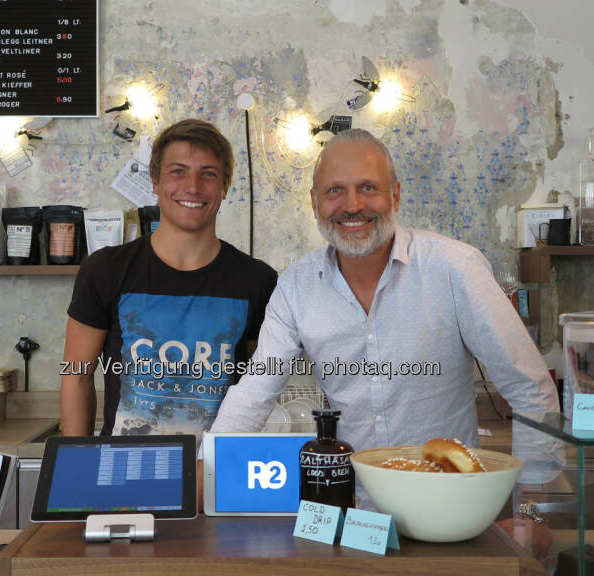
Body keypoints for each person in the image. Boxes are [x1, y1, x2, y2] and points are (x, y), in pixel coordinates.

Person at [210, 127, 558, 557]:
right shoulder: (296, 287)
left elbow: (530, 389)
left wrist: (534, 514)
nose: (352, 205)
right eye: (335, 190)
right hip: (352, 518)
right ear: (315, 202)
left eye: (367, 188)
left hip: (449, 515)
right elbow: (253, 394)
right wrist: (206, 476)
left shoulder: (455, 269)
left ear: (394, 196)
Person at [60, 119, 278, 442]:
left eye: (208, 173)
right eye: (178, 171)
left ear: (225, 186)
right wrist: (73, 469)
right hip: (126, 474)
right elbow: (76, 378)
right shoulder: (105, 270)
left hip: (215, 474)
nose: (192, 186)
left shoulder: (258, 280)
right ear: (155, 181)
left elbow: (260, 388)